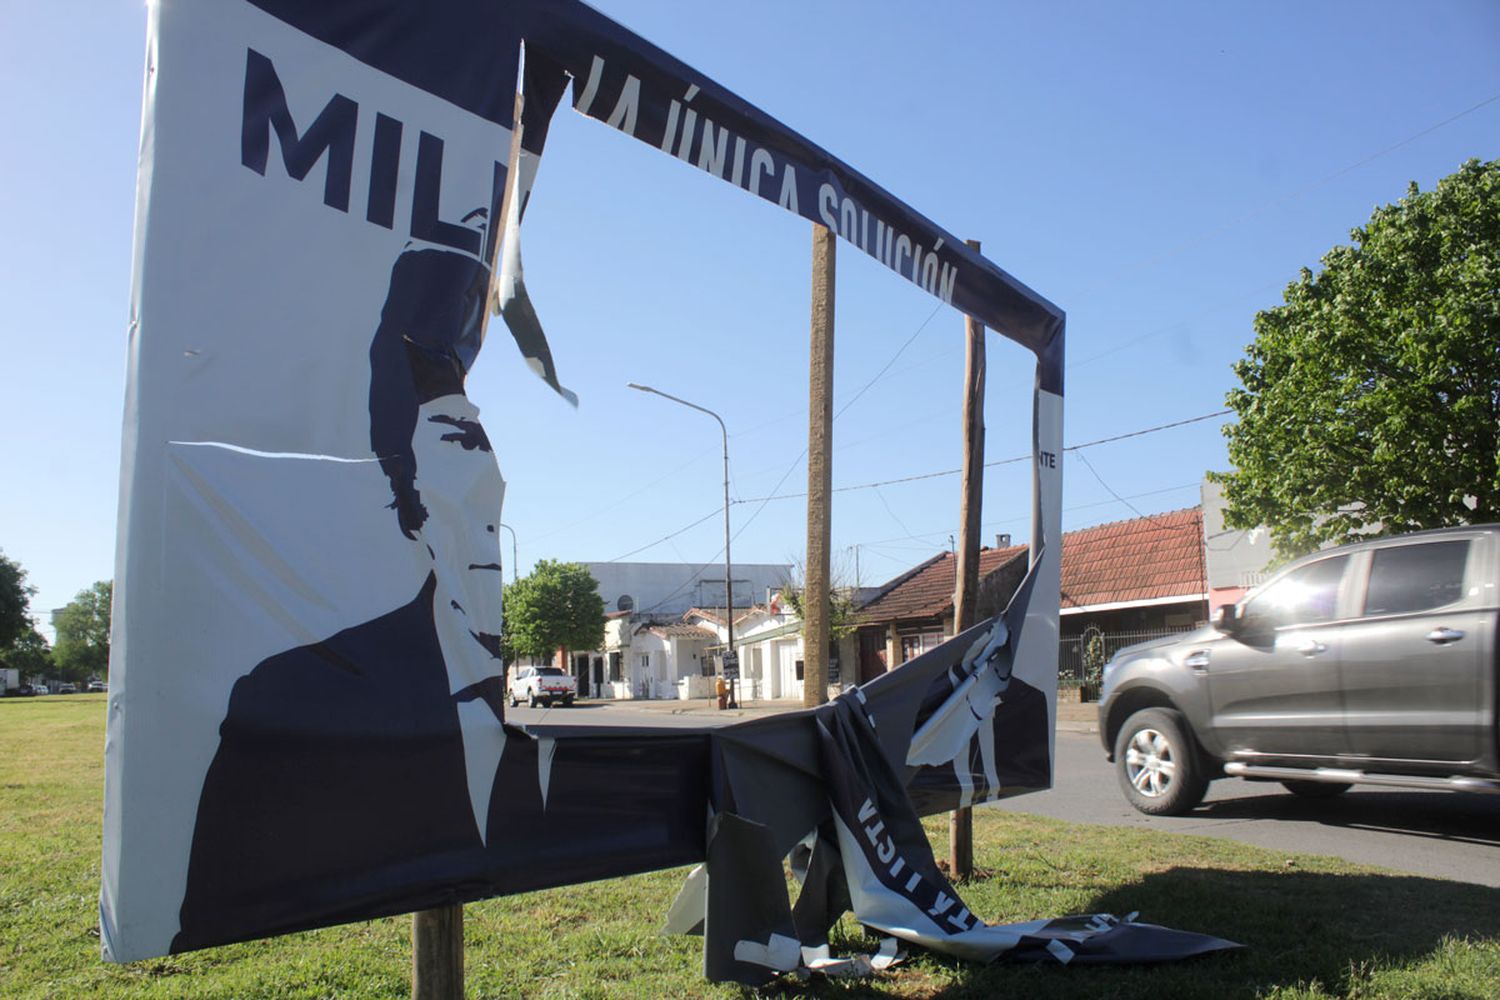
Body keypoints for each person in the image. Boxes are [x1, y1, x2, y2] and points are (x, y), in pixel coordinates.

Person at [173, 244, 707, 953]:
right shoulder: (286, 697)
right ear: (406, 499)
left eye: (485, 458)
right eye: (454, 447)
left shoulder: (525, 732)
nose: (485, 493)